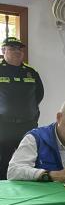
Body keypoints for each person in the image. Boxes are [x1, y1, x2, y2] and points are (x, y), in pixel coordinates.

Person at [0, 37, 45, 180]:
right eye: (12, 48)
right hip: (4, 126)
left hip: (27, 125)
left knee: (29, 160)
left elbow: (39, 95)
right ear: (3, 50)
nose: (17, 51)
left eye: (19, 49)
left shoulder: (31, 72)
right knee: (3, 162)